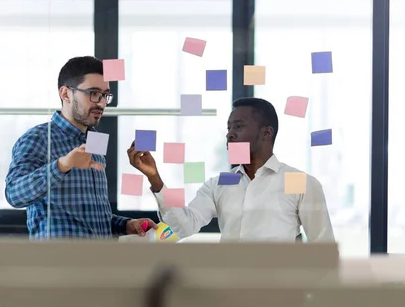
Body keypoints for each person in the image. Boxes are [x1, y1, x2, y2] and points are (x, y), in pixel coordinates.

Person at [127, 97, 335, 242]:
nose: (230, 135)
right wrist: (155, 178)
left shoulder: (300, 182)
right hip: (226, 298)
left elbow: (323, 249)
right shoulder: (219, 184)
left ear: (266, 133)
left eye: (238, 126)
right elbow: (184, 226)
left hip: (279, 298)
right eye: (229, 128)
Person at [5, 56, 156, 239]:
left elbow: (93, 218)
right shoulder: (38, 138)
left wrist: (126, 224)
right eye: (93, 93)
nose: (101, 103)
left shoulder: (94, 142)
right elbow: (14, 194)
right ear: (66, 94)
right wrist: (62, 166)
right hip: (58, 263)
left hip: (98, 263)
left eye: (105, 95)